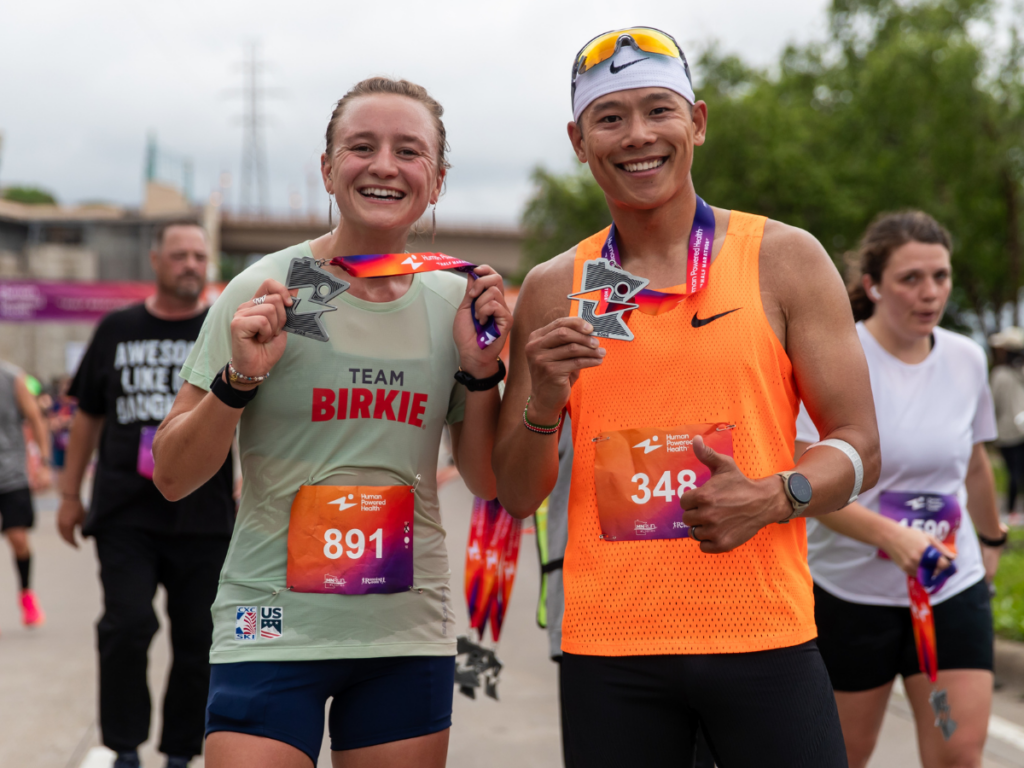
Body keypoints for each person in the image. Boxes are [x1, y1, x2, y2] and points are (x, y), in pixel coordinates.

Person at [494, 26, 881, 767]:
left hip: (763, 634)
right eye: (609, 118)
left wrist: (776, 494)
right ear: (579, 141)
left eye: (658, 110)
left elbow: (862, 447)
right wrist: (542, 401)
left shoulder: (784, 259)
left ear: (697, 122)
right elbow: (516, 494)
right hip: (613, 651)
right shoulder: (552, 287)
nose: (637, 136)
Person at [152, 77, 510, 768]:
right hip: (271, 624)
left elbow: (487, 480)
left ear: (435, 181)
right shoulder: (264, 290)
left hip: (403, 634)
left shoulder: (457, 302)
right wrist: (239, 379)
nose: (383, 165)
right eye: (361, 146)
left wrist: (480, 369)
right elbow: (171, 476)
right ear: (326, 168)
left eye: (408, 151)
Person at [795, 211, 1005, 768]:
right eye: (911, 278)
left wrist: (991, 540)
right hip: (848, 596)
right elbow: (804, 478)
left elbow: (975, 460)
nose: (930, 292)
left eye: (941, 276)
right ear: (873, 285)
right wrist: (891, 536)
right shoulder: (839, 355)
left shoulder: (966, 357)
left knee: (957, 750)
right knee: (844, 756)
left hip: (945, 589)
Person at [59, 221, 235, 768]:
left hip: (204, 515)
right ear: (155, 260)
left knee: (198, 638)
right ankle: (125, 746)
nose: (191, 263)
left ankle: (182, 752)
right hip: (124, 513)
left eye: (199, 255)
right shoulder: (117, 328)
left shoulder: (223, 328)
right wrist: (69, 494)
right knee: (126, 626)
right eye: (179, 254)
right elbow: (88, 414)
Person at [0, 359, 50, 631]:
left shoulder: (12, 378)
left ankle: (26, 594)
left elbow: (35, 416)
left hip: (10, 472)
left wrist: (42, 461)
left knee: (18, 538)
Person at [988, 326, 1024, 513]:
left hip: (1006, 431)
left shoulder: (999, 375)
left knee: (1013, 472)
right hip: (1022, 428)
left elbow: (992, 405)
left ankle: (1011, 512)